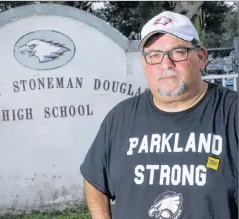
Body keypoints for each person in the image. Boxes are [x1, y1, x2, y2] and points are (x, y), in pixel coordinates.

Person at [80, 11, 238, 219]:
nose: (166, 64)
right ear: (145, 65)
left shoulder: (232, 114)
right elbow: (94, 178)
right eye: (154, 55)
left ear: (201, 58)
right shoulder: (120, 118)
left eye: (178, 52)